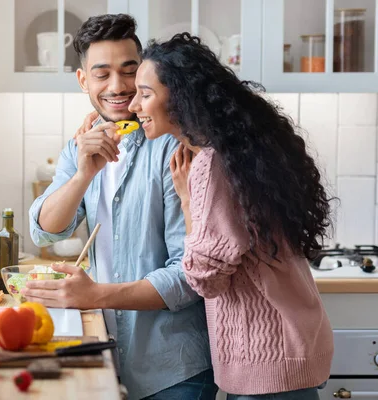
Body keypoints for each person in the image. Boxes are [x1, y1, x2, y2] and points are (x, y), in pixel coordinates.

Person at [127, 32, 334, 400]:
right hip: (294, 349)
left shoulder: (211, 165)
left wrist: (189, 204)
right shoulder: (241, 151)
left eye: (145, 94)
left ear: (179, 97)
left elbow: (204, 279)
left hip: (266, 365)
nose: (133, 106)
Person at [25, 14, 217, 400]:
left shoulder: (174, 147)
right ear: (83, 81)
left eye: (129, 72)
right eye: (102, 74)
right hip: (107, 355)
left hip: (173, 369)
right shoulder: (81, 144)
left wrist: (94, 295)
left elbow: (190, 274)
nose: (118, 87)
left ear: (144, 72)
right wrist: (82, 176)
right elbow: (44, 229)